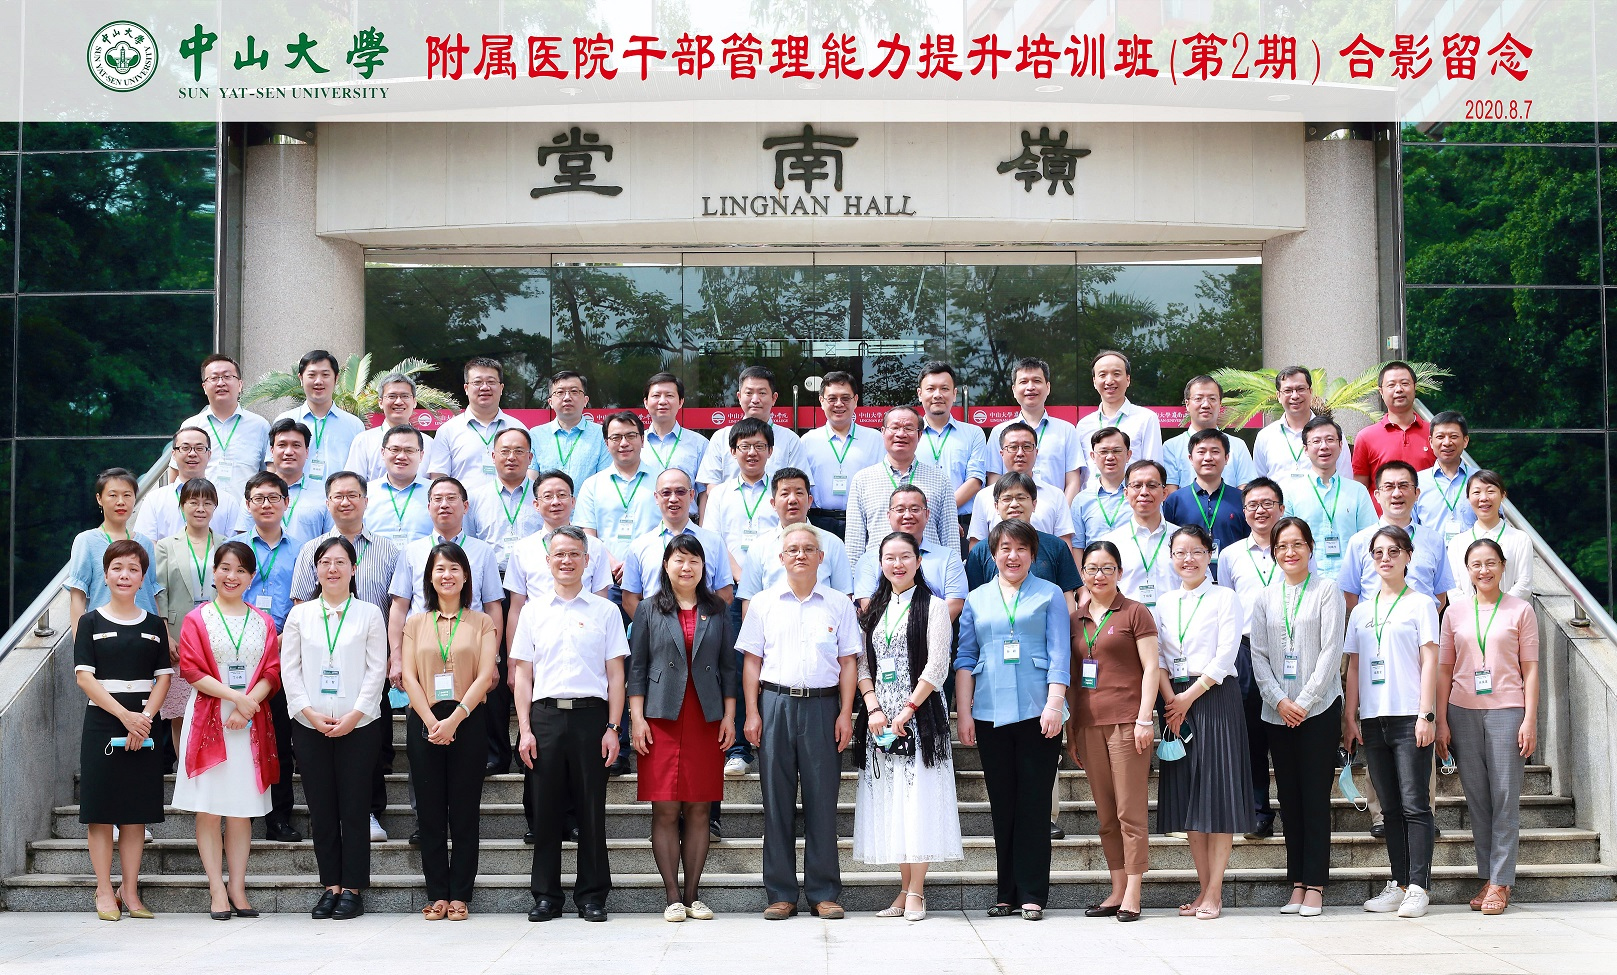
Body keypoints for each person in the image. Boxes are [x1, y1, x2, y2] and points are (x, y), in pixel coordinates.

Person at [738, 523, 861, 920]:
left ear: (821, 558)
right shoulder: (763, 603)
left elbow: (848, 662)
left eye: (809, 549)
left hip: (823, 707)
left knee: (823, 801)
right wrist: (752, 711)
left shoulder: (839, 604)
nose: (800, 555)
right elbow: (752, 661)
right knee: (776, 802)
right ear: (781, 557)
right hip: (775, 704)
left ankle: (823, 892)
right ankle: (780, 893)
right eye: (793, 549)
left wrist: (845, 713)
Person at [511, 527, 628, 923]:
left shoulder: (605, 611)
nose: (566, 560)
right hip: (544, 717)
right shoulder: (532, 611)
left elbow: (616, 675)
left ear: (587, 560)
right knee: (545, 811)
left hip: (591, 718)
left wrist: (613, 727)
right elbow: (523, 675)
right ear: (548, 561)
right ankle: (546, 896)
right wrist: (525, 729)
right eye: (559, 554)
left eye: (574, 554)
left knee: (591, 810)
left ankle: (592, 895)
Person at [955, 519, 1070, 920]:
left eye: (1021, 548)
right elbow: (965, 658)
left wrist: (1055, 703)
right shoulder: (977, 598)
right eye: (1004, 548)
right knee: (1002, 804)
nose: (1013, 555)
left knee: (1034, 804)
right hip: (989, 711)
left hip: (1039, 710)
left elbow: (1060, 652)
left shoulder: (1050, 593)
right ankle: (1006, 892)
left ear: (1033, 554)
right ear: (993, 554)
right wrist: (964, 712)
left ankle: (1033, 892)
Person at [851, 532, 962, 921]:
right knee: (894, 802)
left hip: (921, 717)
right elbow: (863, 663)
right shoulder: (874, 609)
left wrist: (908, 709)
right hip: (880, 720)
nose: (897, 564)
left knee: (918, 802)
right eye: (889, 558)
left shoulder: (934, 606)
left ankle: (917, 891)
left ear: (918, 561)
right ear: (880, 563)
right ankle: (903, 889)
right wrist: (873, 707)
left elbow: (938, 664)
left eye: (905, 557)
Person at [628, 534, 737, 921]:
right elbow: (637, 667)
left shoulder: (717, 609)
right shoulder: (648, 609)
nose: (686, 567)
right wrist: (636, 718)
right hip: (661, 718)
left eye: (694, 560)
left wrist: (729, 716)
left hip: (705, 718)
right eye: (679, 560)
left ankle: (693, 896)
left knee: (699, 809)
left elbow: (728, 668)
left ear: (704, 567)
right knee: (665, 809)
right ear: (666, 565)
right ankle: (672, 896)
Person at [290, 470, 403, 839]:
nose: (345, 501)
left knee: (372, 739)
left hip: (369, 661)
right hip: (321, 662)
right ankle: (328, 814)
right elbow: (300, 604)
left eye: (353, 494)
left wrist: (393, 654)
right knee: (323, 741)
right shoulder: (312, 550)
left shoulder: (387, 549)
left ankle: (370, 811)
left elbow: (397, 605)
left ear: (366, 501)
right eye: (338, 495)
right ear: (328, 502)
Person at [280, 536, 389, 919]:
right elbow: (289, 670)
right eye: (325, 562)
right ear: (316, 570)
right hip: (310, 727)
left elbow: (376, 670)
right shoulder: (300, 616)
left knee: (355, 808)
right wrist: (308, 713)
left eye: (341, 562)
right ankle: (331, 886)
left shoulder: (369, 614)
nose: (332, 568)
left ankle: (353, 888)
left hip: (359, 727)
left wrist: (355, 715)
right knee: (322, 809)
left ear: (353, 569)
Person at [173, 541, 281, 920]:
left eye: (240, 570)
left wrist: (247, 705)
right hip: (209, 718)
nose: (231, 576)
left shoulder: (263, 621)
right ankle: (216, 888)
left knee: (241, 810)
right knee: (209, 808)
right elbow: (191, 669)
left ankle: (237, 886)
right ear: (214, 572)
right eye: (225, 568)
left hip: (249, 722)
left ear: (251, 578)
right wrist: (238, 700)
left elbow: (271, 670)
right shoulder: (197, 619)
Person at [1436, 538, 1540, 916]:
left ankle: (1501, 881)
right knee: (1478, 800)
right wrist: (1441, 719)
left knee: (1505, 797)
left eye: (1491, 563)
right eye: (1476, 564)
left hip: (1507, 710)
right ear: (1468, 571)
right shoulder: (1454, 613)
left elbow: (1531, 668)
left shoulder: (1520, 610)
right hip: (1462, 710)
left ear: (1503, 566)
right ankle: (1490, 875)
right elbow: (1444, 670)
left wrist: (1530, 719)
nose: (1484, 570)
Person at [1248, 516, 1346, 917]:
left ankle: (1316, 884)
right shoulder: (1264, 598)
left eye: (1297, 544)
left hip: (1318, 710)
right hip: (1277, 713)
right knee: (1288, 798)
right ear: (1274, 552)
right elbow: (1258, 655)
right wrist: (1278, 700)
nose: (1290, 552)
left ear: (1310, 548)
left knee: (1314, 796)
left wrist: (1303, 701)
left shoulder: (1327, 590)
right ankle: (1297, 883)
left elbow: (1331, 651)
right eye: (1282, 546)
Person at [1343, 525, 1441, 919]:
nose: (1385, 558)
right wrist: (1350, 715)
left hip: (1409, 717)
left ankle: (1419, 886)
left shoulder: (1421, 604)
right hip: (1373, 719)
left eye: (1394, 551)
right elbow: (1353, 667)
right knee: (1390, 808)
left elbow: (1430, 660)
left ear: (1407, 556)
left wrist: (1426, 714)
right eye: (1379, 552)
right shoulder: (1361, 611)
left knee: (1416, 804)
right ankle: (1399, 883)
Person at [1153, 524, 1251, 920]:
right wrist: (1170, 700)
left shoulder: (1225, 597)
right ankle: (1202, 888)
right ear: (1171, 557)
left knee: (1217, 793)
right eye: (1180, 552)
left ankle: (1215, 892)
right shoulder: (1164, 602)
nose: (1188, 559)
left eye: (1196, 551)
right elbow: (1158, 658)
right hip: (1174, 699)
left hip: (1214, 696)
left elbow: (1227, 654)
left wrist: (1186, 698)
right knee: (1189, 797)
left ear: (1210, 554)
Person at [74, 539, 173, 921]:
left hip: (145, 723)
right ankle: (103, 890)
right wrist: (125, 716)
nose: (124, 575)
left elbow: (163, 678)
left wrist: (143, 718)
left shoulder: (153, 625)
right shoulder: (91, 622)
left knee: (135, 813)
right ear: (106, 574)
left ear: (143, 578)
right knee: (100, 812)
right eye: (117, 568)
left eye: (133, 569)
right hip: (103, 721)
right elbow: (85, 678)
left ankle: (129, 891)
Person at [400, 541, 500, 921]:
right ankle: (437, 893)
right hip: (424, 721)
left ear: (466, 576)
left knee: (464, 812)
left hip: (467, 720)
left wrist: (455, 719)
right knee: (429, 813)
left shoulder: (482, 622)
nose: (447, 575)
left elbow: (485, 675)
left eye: (454, 568)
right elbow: (409, 676)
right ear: (429, 577)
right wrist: (431, 722)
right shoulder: (415, 623)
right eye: (440, 569)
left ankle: (460, 894)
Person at [1065, 540, 1158, 923]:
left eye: (1107, 568)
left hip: (1127, 723)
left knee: (1129, 812)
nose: (1099, 575)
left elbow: (1151, 668)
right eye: (1091, 568)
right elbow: (1073, 679)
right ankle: (1117, 888)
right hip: (1089, 724)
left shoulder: (1135, 612)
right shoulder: (1075, 619)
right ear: (1083, 574)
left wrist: (1144, 718)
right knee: (1106, 814)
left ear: (1119, 572)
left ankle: (1133, 892)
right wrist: (1072, 730)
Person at [1213, 476, 1289, 840]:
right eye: (1252, 505)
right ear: (1243, 512)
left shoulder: (1293, 548)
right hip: (1245, 650)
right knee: (1251, 735)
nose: (1260, 511)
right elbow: (1226, 607)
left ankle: (1293, 807)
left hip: (1288, 649)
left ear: (1281, 508)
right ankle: (1259, 811)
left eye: (1267, 503)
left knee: (1288, 732)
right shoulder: (1230, 555)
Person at [154, 479, 220, 754]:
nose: (200, 508)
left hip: (218, 634)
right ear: (182, 507)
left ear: (215, 507)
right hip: (178, 636)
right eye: (193, 502)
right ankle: (183, 769)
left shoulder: (226, 544)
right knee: (180, 712)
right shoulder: (166, 546)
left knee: (216, 706)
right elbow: (160, 593)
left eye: (207, 502)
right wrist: (165, 635)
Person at [844, 406, 958, 563]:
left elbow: (950, 538)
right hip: (878, 572)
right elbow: (854, 543)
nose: (901, 434)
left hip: (929, 570)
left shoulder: (940, 479)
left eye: (908, 428)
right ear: (883, 432)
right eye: (895, 427)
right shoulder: (862, 480)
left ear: (919, 435)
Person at [1339, 461, 1455, 612]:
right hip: (1374, 624)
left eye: (1404, 486)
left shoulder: (1434, 540)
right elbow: (1350, 595)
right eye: (1389, 487)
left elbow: (1440, 595)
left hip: (1421, 625)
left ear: (1417, 493)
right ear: (1377, 495)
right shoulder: (1360, 541)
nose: (1397, 493)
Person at [621, 469, 736, 618]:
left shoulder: (714, 542)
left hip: (702, 627)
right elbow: (629, 599)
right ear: (656, 497)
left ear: (692, 495)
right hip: (655, 629)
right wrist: (651, 625)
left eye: (680, 492)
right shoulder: (639, 546)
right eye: (666, 493)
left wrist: (704, 626)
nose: (673, 499)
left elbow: (725, 595)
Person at [1280, 416, 1377, 584]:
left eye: (1330, 440)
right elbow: (1284, 541)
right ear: (1305, 449)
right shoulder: (1290, 492)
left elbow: (1370, 540)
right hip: (1306, 585)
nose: (1324, 446)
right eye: (1316, 441)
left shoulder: (1357, 492)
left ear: (1340, 445)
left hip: (1349, 585)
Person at [696, 365, 802, 513]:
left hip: (774, 519)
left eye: (762, 393)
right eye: (749, 393)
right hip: (731, 518)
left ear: (774, 398)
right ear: (739, 397)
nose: (755, 399)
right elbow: (711, 486)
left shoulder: (790, 440)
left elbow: (798, 486)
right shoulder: (721, 438)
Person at [853, 485, 968, 620]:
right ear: (889, 516)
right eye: (900, 510)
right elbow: (868, 606)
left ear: (927, 514)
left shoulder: (948, 558)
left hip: (935, 630)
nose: (908, 515)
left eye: (915, 509)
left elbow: (954, 604)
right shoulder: (868, 560)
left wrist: (921, 629)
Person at [68, 468, 162, 634]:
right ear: (99, 499)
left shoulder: (145, 543)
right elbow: (78, 597)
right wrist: (80, 643)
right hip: (104, 634)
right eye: (113, 495)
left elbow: (151, 594)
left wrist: (163, 634)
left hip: (146, 634)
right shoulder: (86, 541)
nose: (120, 502)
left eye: (127, 495)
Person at [965, 474, 1083, 603]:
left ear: (1034, 504)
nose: (1014, 504)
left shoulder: (1056, 546)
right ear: (996, 506)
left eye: (1021, 498)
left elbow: (1067, 597)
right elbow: (974, 599)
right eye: (1007, 499)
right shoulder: (980, 551)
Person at [577, 412, 660, 592]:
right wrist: (614, 565)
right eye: (616, 437)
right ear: (606, 443)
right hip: (607, 578)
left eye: (631, 436)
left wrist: (636, 565)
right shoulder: (592, 485)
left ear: (642, 440)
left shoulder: (660, 481)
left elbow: (668, 528)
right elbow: (588, 534)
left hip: (653, 576)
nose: (624, 443)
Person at [796, 370, 883, 539]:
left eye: (845, 398)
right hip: (818, 521)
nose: (839, 404)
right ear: (821, 401)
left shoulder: (875, 439)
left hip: (863, 522)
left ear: (855, 400)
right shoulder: (807, 441)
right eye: (832, 398)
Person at [966, 422, 1076, 550]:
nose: (1020, 453)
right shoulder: (984, 496)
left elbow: (1064, 544)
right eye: (1013, 447)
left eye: (1027, 447)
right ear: (1002, 453)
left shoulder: (1055, 495)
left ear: (1036, 452)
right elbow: (976, 545)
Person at [989, 356, 1084, 500]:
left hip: (1054, 511)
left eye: (1037, 381)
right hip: (1012, 510)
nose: (1030, 387)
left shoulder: (1067, 430)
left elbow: (1073, 481)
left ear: (1048, 387)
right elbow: (994, 480)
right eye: (1023, 382)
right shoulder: (999, 432)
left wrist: (1062, 511)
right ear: (1014, 390)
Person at [700, 417, 781, 585]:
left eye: (759, 446)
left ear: (770, 451)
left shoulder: (782, 492)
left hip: (773, 582)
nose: (752, 452)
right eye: (745, 446)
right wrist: (739, 575)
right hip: (728, 584)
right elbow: (712, 540)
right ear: (733, 451)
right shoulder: (719, 494)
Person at [430, 357, 529, 492]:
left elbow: (529, 473)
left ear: (501, 388)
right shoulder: (448, 430)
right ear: (466, 388)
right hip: (465, 505)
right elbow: (439, 478)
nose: (485, 387)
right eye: (477, 382)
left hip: (510, 504)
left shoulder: (518, 429)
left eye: (491, 382)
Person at [1161, 428, 1249, 580]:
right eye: (1201, 452)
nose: (1208, 458)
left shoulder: (1242, 499)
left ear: (1227, 458)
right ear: (1190, 458)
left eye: (1215, 451)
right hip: (1187, 581)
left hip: (1233, 578)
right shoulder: (1175, 500)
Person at [133, 427, 247, 541]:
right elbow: (145, 543)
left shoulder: (227, 501)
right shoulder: (154, 499)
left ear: (209, 454)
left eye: (199, 448)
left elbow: (235, 545)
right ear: (173, 454)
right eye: (185, 448)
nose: (192, 453)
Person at [916, 361, 989, 535]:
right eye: (930, 389)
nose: (937, 395)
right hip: (917, 525)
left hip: (964, 525)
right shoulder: (909, 434)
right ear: (920, 394)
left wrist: (941, 513)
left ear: (955, 394)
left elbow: (975, 480)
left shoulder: (974, 433)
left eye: (944, 389)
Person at [181, 353, 270, 497]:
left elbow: (270, 473)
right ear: (204, 387)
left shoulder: (260, 426)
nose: (221, 383)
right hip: (202, 508)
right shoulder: (191, 426)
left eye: (227, 376)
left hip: (245, 509)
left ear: (240, 384)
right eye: (214, 378)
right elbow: (177, 472)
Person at [274, 350, 366, 485]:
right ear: (301, 379)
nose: (318, 381)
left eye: (325, 375)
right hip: (294, 496)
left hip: (339, 497)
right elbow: (273, 467)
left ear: (336, 379)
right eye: (312, 375)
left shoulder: (354, 425)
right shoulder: (285, 420)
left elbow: (361, 471)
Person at [1075, 350, 1163, 487]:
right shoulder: (1083, 425)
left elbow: (1154, 468)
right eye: (1102, 375)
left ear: (1128, 379)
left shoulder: (1146, 418)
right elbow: (1079, 475)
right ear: (1094, 381)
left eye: (1116, 374)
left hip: (1131, 497)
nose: (1109, 381)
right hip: (1092, 497)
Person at [1444, 471, 1533, 602]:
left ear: (1503, 495)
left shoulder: (1520, 539)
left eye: (1490, 491)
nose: (1484, 498)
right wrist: (1475, 609)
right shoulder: (1457, 543)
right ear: (1468, 498)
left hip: (1509, 612)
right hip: (1468, 613)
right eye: (1476, 492)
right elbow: (1453, 589)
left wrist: (1497, 607)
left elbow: (1524, 584)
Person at [1252, 366, 1353, 482]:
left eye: (1300, 389)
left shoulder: (1331, 433)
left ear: (1310, 392)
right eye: (1288, 391)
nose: (1295, 396)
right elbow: (1259, 483)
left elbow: (1345, 479)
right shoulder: (1265, 436)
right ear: (1279, 396)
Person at [1101, 460, 1179, 609]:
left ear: (1164, 493)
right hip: (1127, 622)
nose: (1144, 492)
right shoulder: (1110, 543)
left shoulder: (1183, 540)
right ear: (1126, 493)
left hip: (1175, 621)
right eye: (1137, 486)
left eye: (1152, 485)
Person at [467, 427, 546, 573]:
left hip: (534, 577)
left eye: (519, 451)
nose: (511, 457)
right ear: (493, 456)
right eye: (504, 451)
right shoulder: (475, 498)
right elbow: (469, 543)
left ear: (530, 458)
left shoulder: (543, 496)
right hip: (490, 578)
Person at [342, 372, 445, 482]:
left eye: (405, 396)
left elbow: (436, 485)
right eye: (392, 396)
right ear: (380, 402)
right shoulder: (364, 441)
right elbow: (353, 483)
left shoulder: (429, 443)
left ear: (414, 402)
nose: (399, 402)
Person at [1352, 361, 1435, 494]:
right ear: (1381, 391)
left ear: (1415, 387)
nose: (1399, 389)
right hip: (1381, 508)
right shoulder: (1366, 437)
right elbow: (1359, 489)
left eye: (1405, 383)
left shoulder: (1435, 433)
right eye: (1391, 385)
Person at [1163, 376, 1255, 490]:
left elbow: (1246, 490)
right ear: (1187, 404)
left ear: (1220, 404)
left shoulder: (1238, 445)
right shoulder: (1171, 447)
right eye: (1198, 398)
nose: (1206, 405)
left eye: (1212, 399)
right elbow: (1171, 492)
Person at [529, 370, 610, 485]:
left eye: (574, 391)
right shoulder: (536, 434)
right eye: (560, 392)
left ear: (585, 400)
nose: (567, 397)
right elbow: (532, 480)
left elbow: (604, 480)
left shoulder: (601, 434)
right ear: (550, 402)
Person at [640, 372, 709, 500]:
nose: (662, 401)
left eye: (669, 395)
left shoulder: (699, 444)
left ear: (681, 402)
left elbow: (704, 492)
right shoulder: (634, 443)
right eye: (656, 396)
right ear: (646, 402)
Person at [365, 425, 436, 545]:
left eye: (409, 450)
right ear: (383, 452)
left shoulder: (436, 493)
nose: (401, 456)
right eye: (395, 449)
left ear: (421, 455)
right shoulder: (366, 492)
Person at [267, 418, 334, 543]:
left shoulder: (323, 494)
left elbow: (332, 541)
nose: (289, 452)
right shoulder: (256, 493)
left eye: (296, 445)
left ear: (307, 452)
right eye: (282, 445)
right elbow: (243, 539)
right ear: (272, 451)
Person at [1415, 410, 1477, 543]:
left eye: (1453, 436)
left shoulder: (1481, 480)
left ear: (1465, 441)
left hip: (1473, 554)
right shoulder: (1417, 482)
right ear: (1431, 442)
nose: (1447, 442)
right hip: (1431, 554)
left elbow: (1495, 522)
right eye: (1440, 437)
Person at [1070, 427, 1132, 549]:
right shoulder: (1081, 500)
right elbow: (1077, 546)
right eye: (1103, 452)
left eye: (1117, 451)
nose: (1110, 457)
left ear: (1128, 455)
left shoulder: (1140, 496)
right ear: (1093, 456)